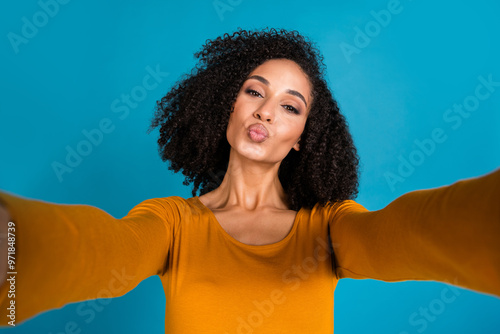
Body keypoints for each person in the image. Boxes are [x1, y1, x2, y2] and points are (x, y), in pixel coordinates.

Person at [0, 28, 499, 333]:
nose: (265, 110)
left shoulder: (327, 227)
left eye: (289, 106)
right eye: (253, 92)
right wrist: (18, 244)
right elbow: (101, 250)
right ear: (227, 104)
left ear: (304, 135)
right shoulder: (174, 223)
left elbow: (411, 234)